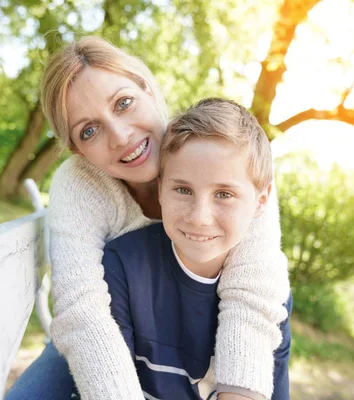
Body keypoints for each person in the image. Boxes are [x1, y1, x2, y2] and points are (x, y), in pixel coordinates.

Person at [6, 36, 290, 400]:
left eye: (124, 103)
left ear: (148, 88)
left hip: (210, 325)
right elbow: (82, 311)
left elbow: (253, 287)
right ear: (77, 150)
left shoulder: (223, 152)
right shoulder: (79, 186)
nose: (121, 136)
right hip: (104, 335)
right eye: (89, 130)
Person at [102, 98, 291, 400]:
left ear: (261, 201)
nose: (199, 217)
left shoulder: (267, 287)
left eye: (224, 194)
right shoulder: (122, 265)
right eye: (183, 190)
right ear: (161, 188)